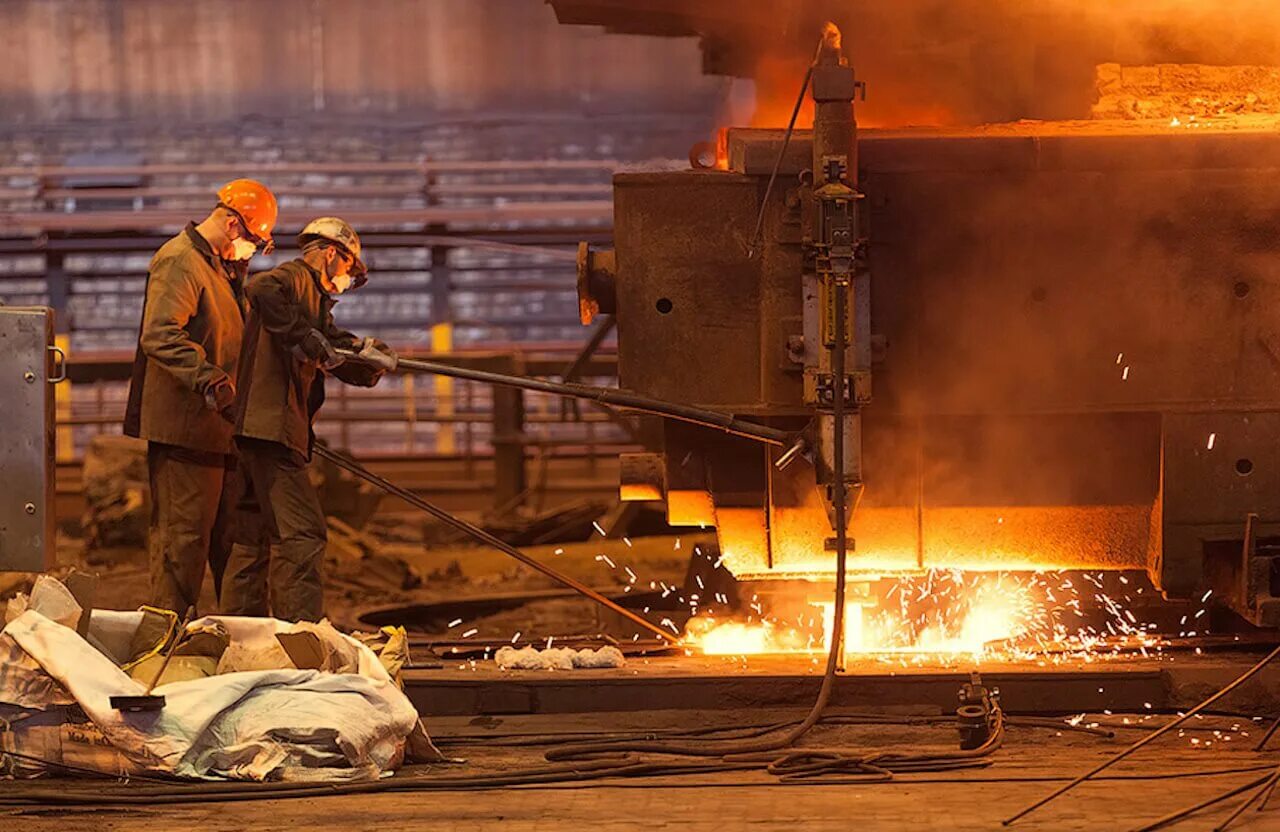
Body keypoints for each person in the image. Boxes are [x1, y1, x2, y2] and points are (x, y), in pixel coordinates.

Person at [223, 217, 397, 621]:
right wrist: (307, 338)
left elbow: (330, 347)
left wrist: (367, 357)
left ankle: (239, 634)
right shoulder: (296, 279)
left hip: (255, 431)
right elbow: (261, 288)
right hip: (272, 430)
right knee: (303, 535)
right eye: (348, 270)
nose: (346, 281)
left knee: (252, 539)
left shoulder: (310, 301)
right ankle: (297, 639)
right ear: (333, 254)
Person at [124, 179, 278, 614]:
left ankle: (235, 657)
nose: (252, 251)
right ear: (232, 225)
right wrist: (209, 379)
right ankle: (161, 656)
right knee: (181, 551)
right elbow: (160, 334)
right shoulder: (180, 262)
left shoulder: (220, 270)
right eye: (251, 241)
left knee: (230, 549)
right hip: (186, 435)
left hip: (221, 432)